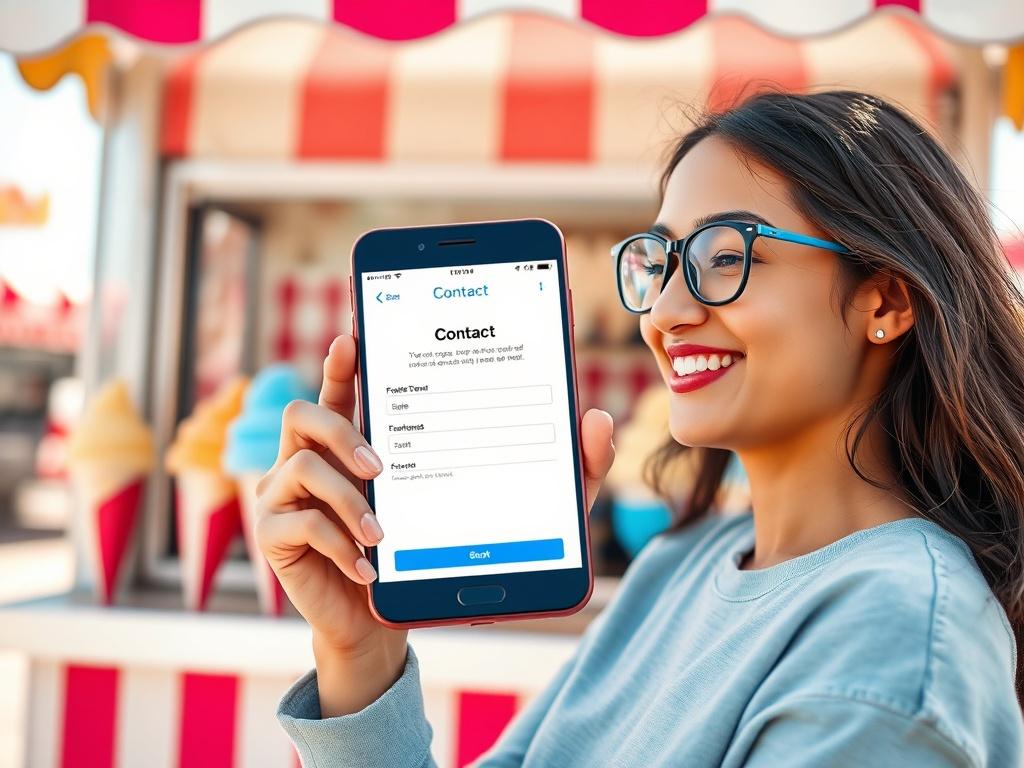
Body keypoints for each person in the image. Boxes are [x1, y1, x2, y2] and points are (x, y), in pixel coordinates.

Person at [258, 90, 1024, 766]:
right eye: (659, 261)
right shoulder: (682, 563)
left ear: (884, 302)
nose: (663, 312)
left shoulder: (893, 642)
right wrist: (360, 651)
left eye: (727, 256)